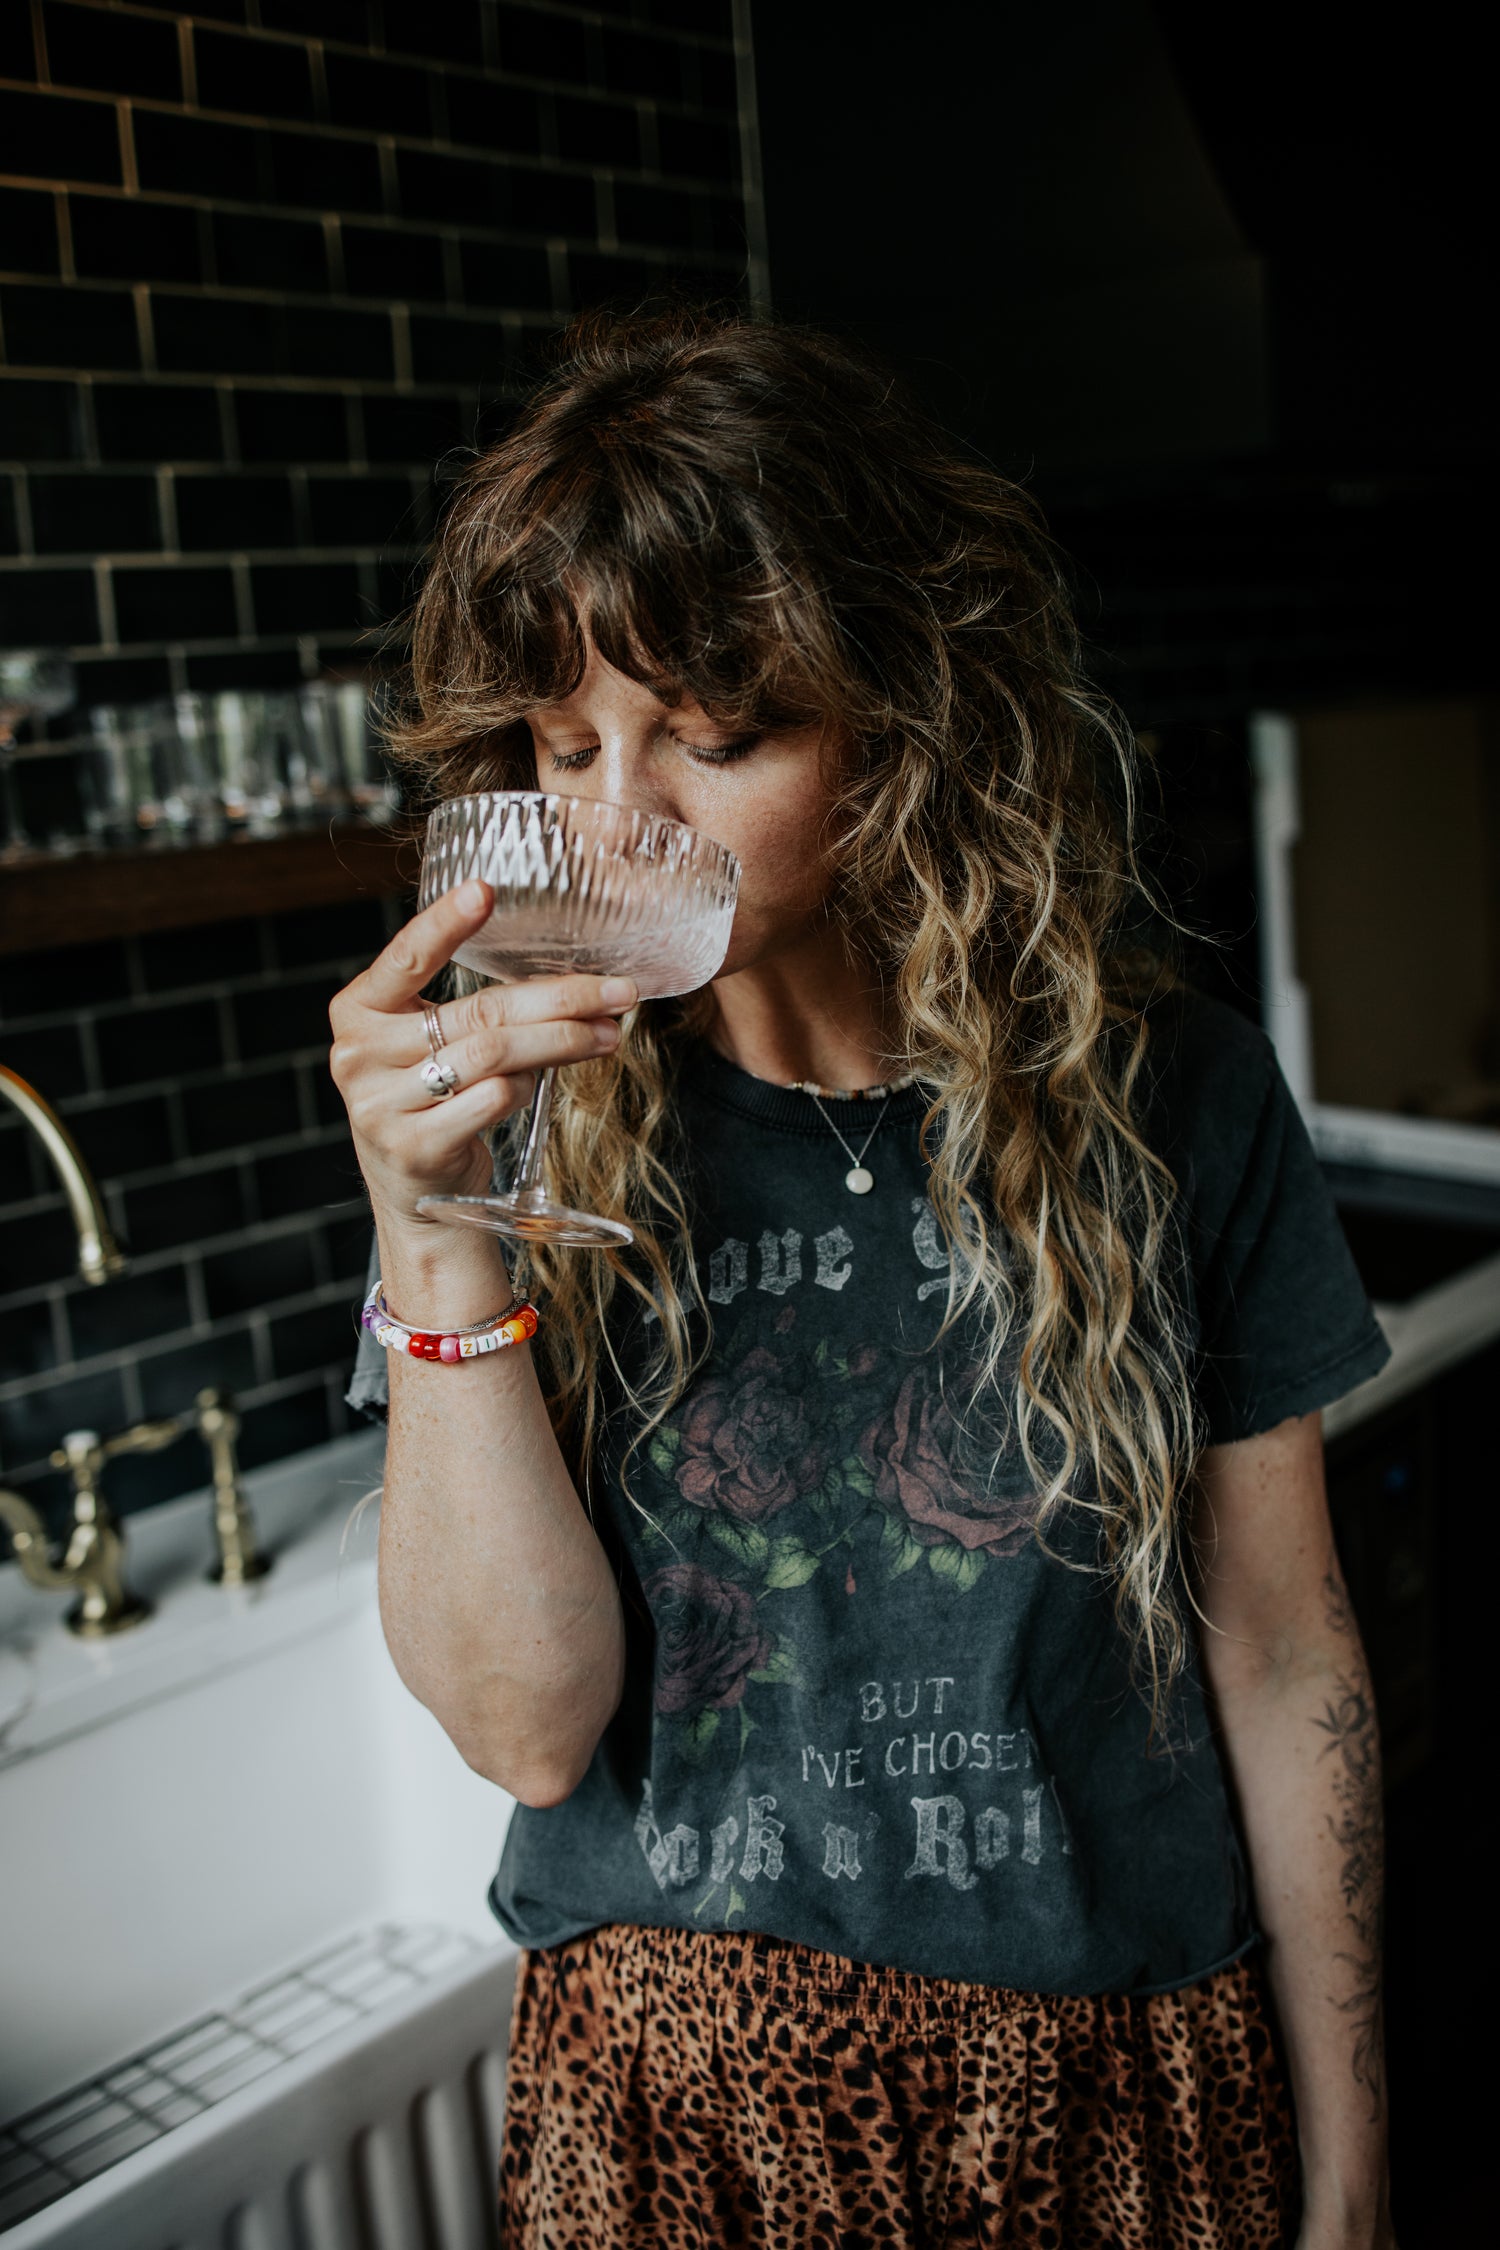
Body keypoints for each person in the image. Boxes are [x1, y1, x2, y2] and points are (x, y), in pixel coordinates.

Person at [334, 308, 1396, 2249]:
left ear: (905, 722)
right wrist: (431, 1229)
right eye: (568, 745)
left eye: (716, 735)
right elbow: (529, 1733)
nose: (618, 817)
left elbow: (1282, 1650)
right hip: (676, 2118)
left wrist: (1354, 2175)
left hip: (1114, 2086)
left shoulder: (1179, 1098)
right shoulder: (512, 1131)